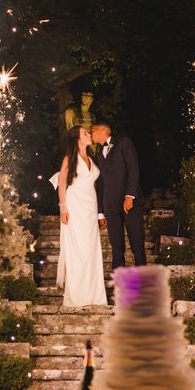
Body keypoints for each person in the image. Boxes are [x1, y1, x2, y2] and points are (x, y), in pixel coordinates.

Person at [54, 125, 108, 307]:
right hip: (75, 206)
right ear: (77, 138)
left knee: (91, 250)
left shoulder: (92, 157)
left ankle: (95, 296)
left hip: (90, 208)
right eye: (85, 133)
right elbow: (62, 183)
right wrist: (63, 208)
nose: (89, 134)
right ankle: (76, 295)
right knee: (77, 250)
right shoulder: (70, 158)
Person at [91, 123, 147, 270]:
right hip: (110, 206)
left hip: (130, 203)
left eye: (93, 132)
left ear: (102, 130)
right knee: (116, 248)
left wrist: (130, 196)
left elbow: (133, 169)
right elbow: (100, 184)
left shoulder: (124, 143)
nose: (91, 135)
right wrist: (101, 211)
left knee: (137, 243)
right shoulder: (98, 155)